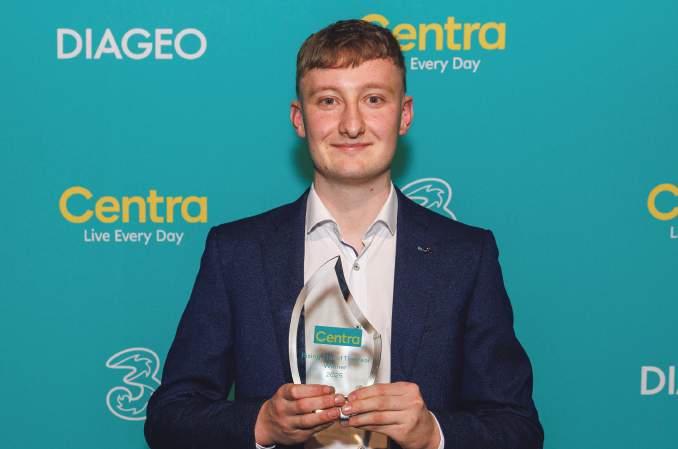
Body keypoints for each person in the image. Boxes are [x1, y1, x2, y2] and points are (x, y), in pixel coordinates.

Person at [144, 19, 543, 449]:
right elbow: (170, 418)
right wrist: (261, 424)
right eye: (329, 101)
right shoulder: (237, 252)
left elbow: (517, 429)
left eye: (373, 99)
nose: (352, 125)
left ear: (404, 114)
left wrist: (433, 433)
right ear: (299, 118)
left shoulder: (465, 256)